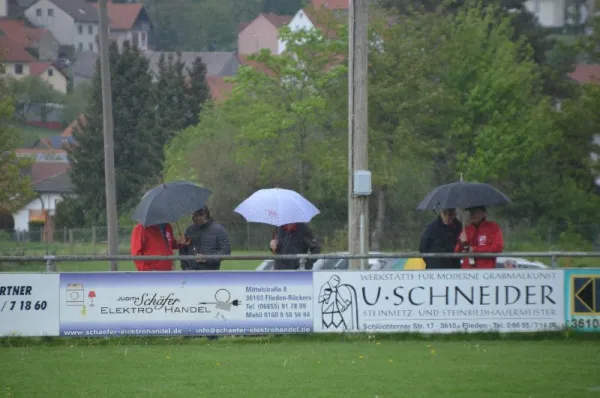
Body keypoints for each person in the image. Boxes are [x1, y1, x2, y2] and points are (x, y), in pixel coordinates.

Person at [178, 205, 231, 270]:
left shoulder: (219, 230)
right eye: (192, 215)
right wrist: (185, 267)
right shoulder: (189, 230)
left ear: (204, 215)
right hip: (190, 274)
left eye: (196, 216)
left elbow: (225, 251)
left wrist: (207, 258)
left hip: (210, 275)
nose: (193, 218)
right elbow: (183, 250)